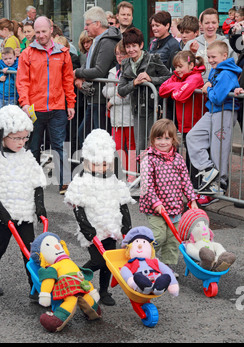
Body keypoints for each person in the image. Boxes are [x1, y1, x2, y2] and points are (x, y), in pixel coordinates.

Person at [0, 105, 47, 297]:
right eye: (16, 138)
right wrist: (2, 213)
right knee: (0, 246)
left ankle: (34, 285)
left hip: (24, 211)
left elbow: (37, 182)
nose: (21, 142)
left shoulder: (27, 157)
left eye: (24, 138)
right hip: (3, 212)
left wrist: (40, 207)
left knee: (30, 251)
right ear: (2, 136)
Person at [64, 129, 135, 305]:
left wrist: (126, 226)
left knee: (109, 262)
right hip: (93, 229)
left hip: (111, 227)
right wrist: (87, 229)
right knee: (98, 260)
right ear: (88, 162)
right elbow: (77, 207)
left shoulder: (114, 181)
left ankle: (104, 291)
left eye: (104, 164)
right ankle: (75, 278)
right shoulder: (81, 182)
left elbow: (122, 204)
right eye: (96, 164)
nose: (101, 168)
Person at [16, 16, 76, 195]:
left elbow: (68, 80)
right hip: (35, 108)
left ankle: (64, 182)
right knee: (33, 147)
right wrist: (25, 104)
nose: (41, 35)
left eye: (44, 31)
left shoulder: (63, 52)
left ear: (51, 30)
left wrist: (70, 103)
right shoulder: (27, 53)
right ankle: (32, 181)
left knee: (59, 145)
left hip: (58, 107)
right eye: (38, 32)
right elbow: (22, 82)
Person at [139, 118, 198, 273]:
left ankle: (166, 268)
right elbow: (147, 185)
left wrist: (191, 199)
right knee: (159, 236)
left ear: (173, 140)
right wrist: (156, 203)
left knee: (172, 240)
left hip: (175, 207)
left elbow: (186, 180)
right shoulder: (148, 159)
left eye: (167, 138)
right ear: (153, 140)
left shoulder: (178, 159)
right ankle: (143, 258)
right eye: (159, 138)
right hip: (155, 208)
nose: (163, 142)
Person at [186, 41, 242, 197]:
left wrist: (209, 88)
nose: (210, 60)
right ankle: (209, 171)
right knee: (193, 136)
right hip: (212, 111)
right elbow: (212, 89)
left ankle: (219, 183)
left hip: (224, 112)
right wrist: (209, 85)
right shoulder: (217, 70)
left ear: (225, 56)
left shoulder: (227, 73)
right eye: (208, 57)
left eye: (213, 57)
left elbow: (217, 97)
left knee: (219, 148)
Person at [117, 27, 171, 154]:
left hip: (155, 108)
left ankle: (158, 172)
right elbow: (121, 90)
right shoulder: (125, 63)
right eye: (128, 46)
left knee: (156, 143)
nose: (131, 50)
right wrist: (134, 83)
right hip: (137, 109)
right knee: (140, 145)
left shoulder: (153, 59)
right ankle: (142, 172)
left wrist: (151, 79)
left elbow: (169, 77)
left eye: (134, 46)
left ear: (141, 45)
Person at [159, 51, 205, 195]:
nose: (177, 70)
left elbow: (180, 96)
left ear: (191, 65)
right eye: (175, 67)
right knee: (188, 156)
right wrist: (177, 87)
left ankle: (196, 189)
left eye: (180, 66)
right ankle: (190, 188)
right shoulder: (177, 78)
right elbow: (162, 90)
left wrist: (175, 88)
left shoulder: (196, 77)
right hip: (184, 124)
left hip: (195, 123)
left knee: (194, 158)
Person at [74, 6, 122, 144]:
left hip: (101, 99)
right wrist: (80, 75)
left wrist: (76, 73)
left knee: (99, 139)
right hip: (94, 98)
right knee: (83, 135)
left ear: (98, 23)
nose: (85, 27)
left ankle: (102, 165)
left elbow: (99, 71)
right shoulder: (98, 39)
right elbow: (89, 64)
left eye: (88, 24)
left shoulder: (107, 41)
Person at [102, 40, 136, 183]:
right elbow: (105, 90)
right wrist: (118, 91)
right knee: (117, 146)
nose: (119, 57)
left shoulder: (131, 71)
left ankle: (132, 175)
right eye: (117, 54)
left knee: (131, 146)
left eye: (122, 54)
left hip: (129, 116)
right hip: (116, 117)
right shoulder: (112, 71)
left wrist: (112, 100)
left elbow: (128, 95)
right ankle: (123, 173)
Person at [183, 8, 237, 82]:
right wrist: (192, 54)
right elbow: (182, 69)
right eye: (207, 23)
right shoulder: (191, 44)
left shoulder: (227, 44)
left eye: (214, 22)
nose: (210, 26)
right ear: (201, 24)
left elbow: (235, 69)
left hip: (219, 89)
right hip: (196, 89)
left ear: (218, 24)